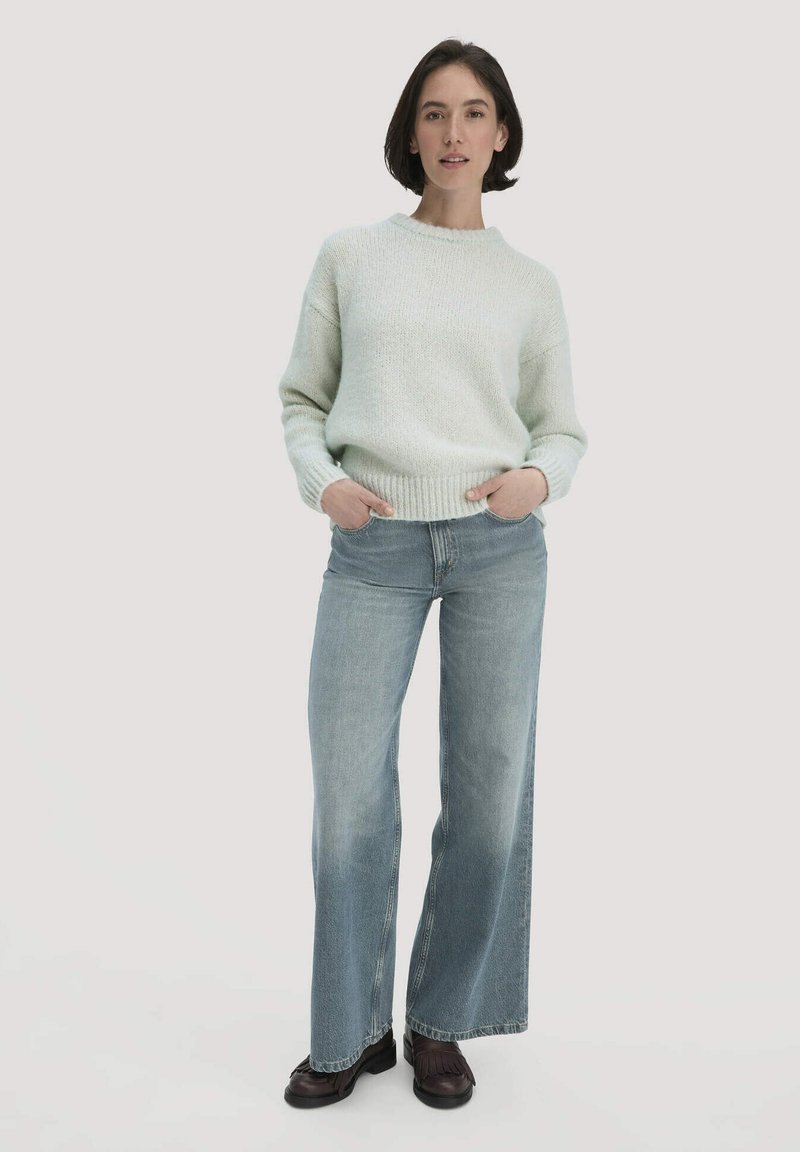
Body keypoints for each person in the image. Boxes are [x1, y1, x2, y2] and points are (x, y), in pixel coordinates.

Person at [279, 37, 588, 1110]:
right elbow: (301, 400)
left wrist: (536, 482)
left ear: (501, 135)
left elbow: (561, 431)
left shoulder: (528, 286)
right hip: (373, 548)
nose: (453, 133)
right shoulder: (351, 257)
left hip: (499, 550)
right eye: (433, 112)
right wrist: (322, 483)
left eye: (473, 113)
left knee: (490, 796)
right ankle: (348, 1028)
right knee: (346, 795)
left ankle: (441, 1022)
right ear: (409, 133)